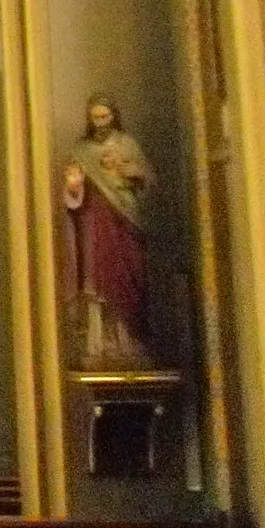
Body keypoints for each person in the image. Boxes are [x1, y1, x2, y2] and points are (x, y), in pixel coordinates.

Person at [63, 94, 153, 361]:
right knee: (99, 284)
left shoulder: (127, 145)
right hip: (96, 223)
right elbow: (72, 199)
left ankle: (129, 343)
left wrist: (130, 171)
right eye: (96, 118)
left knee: (128, 279)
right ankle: (99, 345)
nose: (101, 123)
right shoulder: (81, 152)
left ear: (114, 117)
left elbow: (147, 182)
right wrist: (74, 186)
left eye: (105, 117)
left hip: (125, 221)